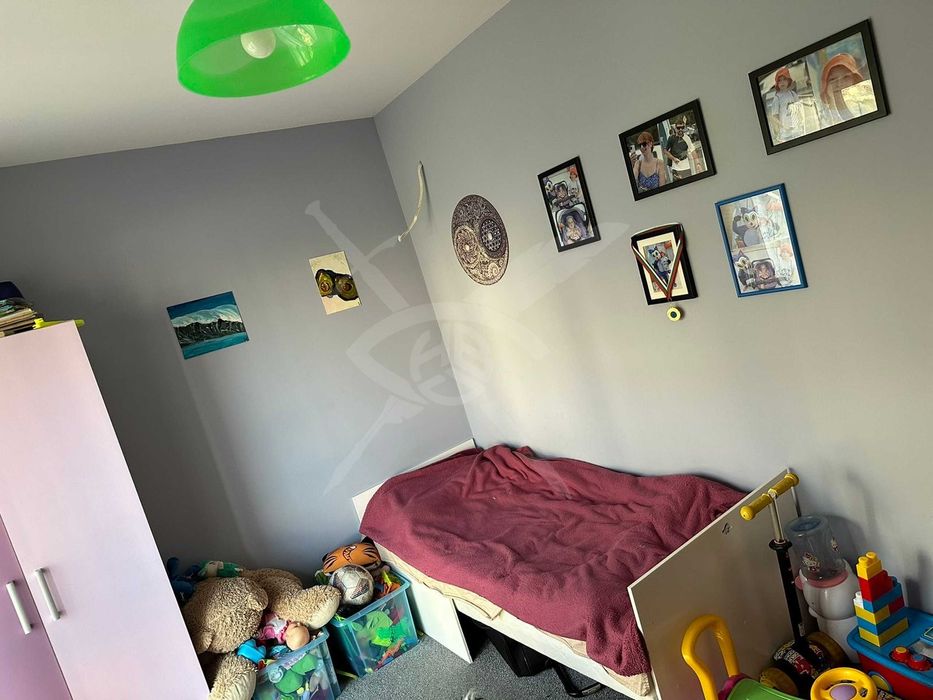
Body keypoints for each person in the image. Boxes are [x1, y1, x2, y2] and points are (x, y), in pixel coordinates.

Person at [819, 53, 875, 123]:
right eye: (832, 79)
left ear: (855, 81)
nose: (839, 84)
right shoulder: (822, 118)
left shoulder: (867, 107)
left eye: (846, 77)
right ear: (825, 86)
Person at [768, 67, 803, 143]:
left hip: (797, 131)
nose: (782, 82)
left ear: (788, 80)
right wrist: (783, 126)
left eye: (784, 79)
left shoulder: (793, 94)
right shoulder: (777, 98)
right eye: (779, 80)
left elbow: (799, 108)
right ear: (777, 83)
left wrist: (800, 121)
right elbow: (774, 117)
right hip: (785, 134)